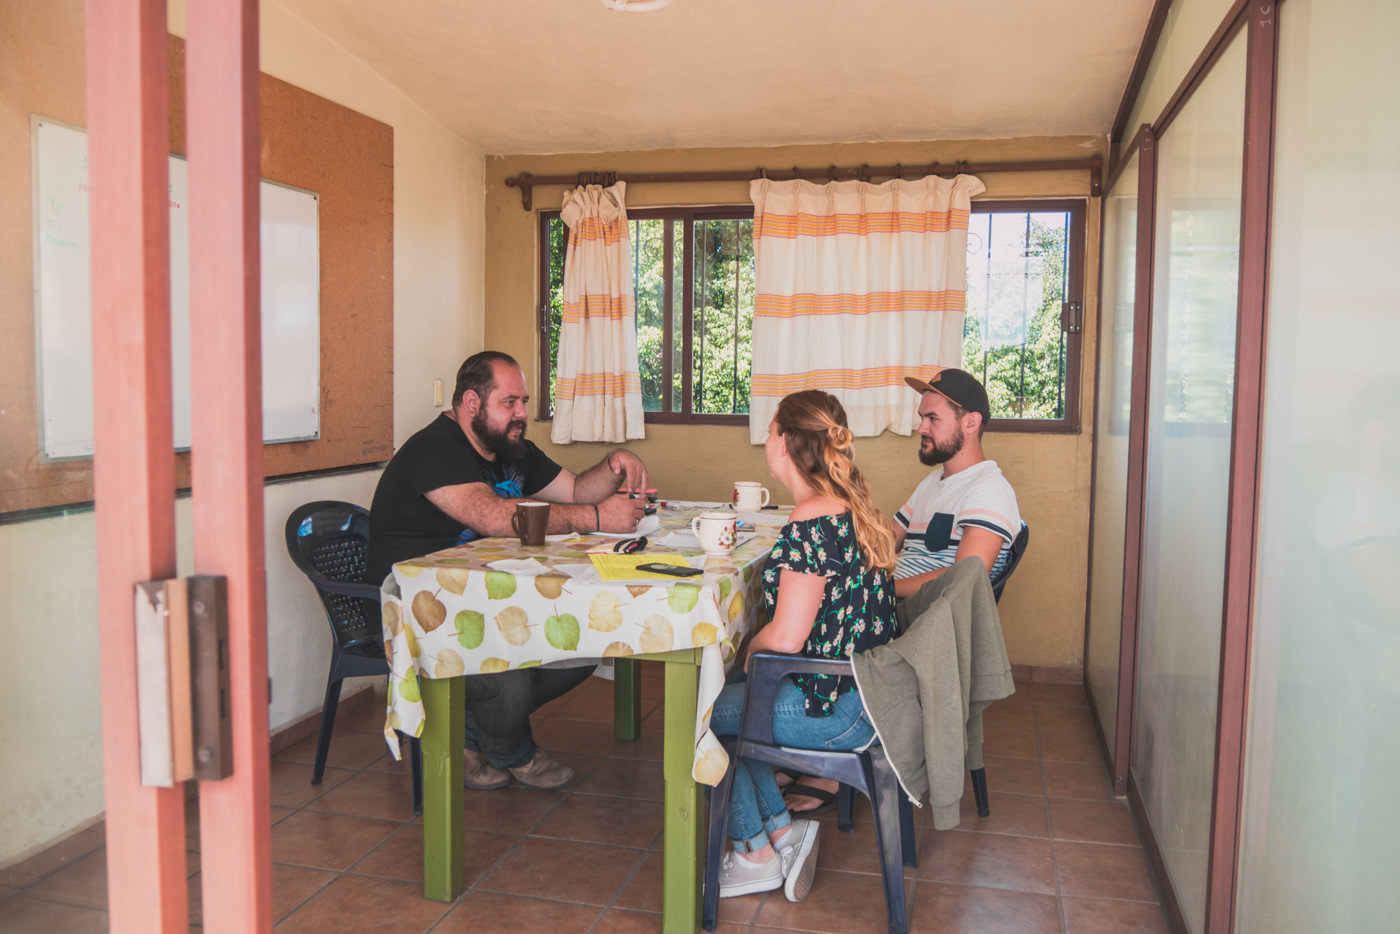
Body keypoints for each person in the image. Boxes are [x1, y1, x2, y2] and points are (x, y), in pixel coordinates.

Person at [368, 350, 650, 791]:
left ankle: (469, 732)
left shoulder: (509, 446)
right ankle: (511, 751)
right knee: (511, 669)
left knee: (580, 647)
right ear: (471, 403)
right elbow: (494, 517)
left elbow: (575, 490)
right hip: (420, 612)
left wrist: (613, 464)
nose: (522, 414)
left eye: (524, 401)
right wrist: (597, 519)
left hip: (481, 596)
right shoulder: (434, 449)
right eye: (510, 403)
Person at [783, 366, 1021, 815]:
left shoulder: (990, 491)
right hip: (891, 604)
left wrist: (878, 587)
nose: (921, 427)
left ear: (970, 423)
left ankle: (831, 758)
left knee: (804, 618)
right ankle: (808, 745)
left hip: (918, 627)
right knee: (808, 599)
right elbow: (884, 536)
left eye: (933, 418)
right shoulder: (936, 484)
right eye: (922, 417)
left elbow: (964, 580)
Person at [708, 390, 898, 903]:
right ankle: (779, 832)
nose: (765, 439)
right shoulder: (848, 508)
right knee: (731, 705)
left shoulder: (810, 522)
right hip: (868, 690)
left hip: (840, 707)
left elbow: (788, 637)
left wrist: (749, 650)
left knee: (701, 714)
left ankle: (754, 853)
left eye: (770, 430)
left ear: (786, 443)